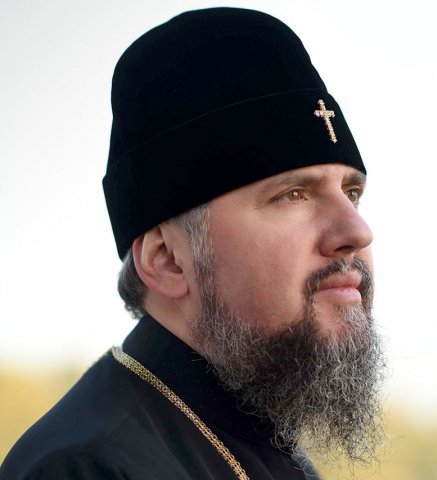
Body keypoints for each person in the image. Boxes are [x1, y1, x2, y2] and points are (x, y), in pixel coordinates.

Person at [1, 8, 385, 479]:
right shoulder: (89, 468)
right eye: (293, 194)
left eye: (352, 193)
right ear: (168, 260)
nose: (357, 232)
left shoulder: (271, 449)